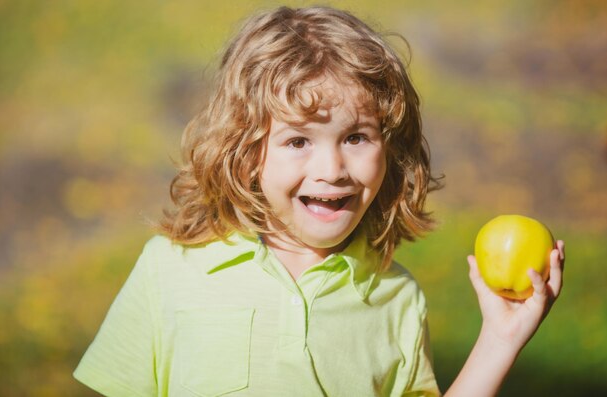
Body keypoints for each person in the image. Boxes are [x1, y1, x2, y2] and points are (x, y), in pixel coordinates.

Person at [74, 6, 565, 396]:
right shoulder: (172, 268)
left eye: (356, 137)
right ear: (246, 153)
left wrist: (499, 341)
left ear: (390, 149)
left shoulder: (394, 298)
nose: (332, 170)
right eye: (298, 141)